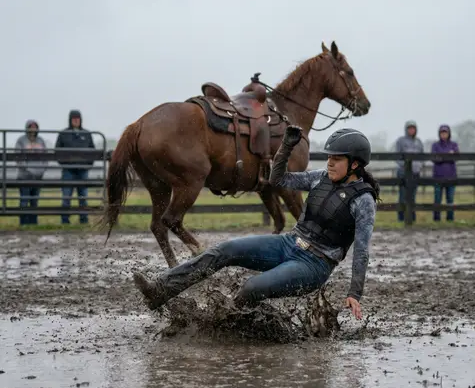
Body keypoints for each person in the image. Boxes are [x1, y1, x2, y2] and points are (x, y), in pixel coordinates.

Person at [133, 126, 379, 321]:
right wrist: (285, 147)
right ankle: (160, 291)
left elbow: (361, 251)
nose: (330, 163)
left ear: (354, 164)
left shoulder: (363, 200)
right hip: (288, 243)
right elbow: (278, 178)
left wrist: (354, 293)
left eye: (336, 159)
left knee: (252, 288)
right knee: (225, 250)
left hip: (314, 264)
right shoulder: (320, 177)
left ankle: (225, 323)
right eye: (329, 158)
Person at [55, 109, 95, 225]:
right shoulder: (64, 134)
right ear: (70, 120)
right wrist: (65, 164)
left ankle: (83, 220)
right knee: (66, 197)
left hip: (82, 171)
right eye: (74, 118)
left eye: (78, 118)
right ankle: (65, 221)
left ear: (81, 120)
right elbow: (57, 151)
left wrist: (88, 164)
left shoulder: (87, 134)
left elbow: (92, 150)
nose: (76, 120)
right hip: (68, 171)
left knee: (83, 197)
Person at [15, 120, 48, 226]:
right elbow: (18, 157)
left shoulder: (41, 140)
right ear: (27, 128)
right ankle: (23, 224)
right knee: (24, 200)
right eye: (31, 127)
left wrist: (42, 169)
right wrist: (28, 169)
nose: (33, 129)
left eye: (35, 127)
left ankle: (33, 224)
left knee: (34, 201)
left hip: (38, 177)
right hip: (24, 176)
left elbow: (46, 157)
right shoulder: (21, 140)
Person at [394, 120, 424, 222]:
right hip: (403, 172)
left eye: (413, 128)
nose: (411, 130)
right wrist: (406, 166)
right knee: (402, 196)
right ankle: (401, 218)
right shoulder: (400, 141)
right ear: (406, 129)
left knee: (413, 196)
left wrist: (419, 166)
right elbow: (397, 156)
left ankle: (412, 218)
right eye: (409, 128)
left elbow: (422, 156)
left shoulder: (419, 142)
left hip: (415, 173)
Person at [431, 124, 459, 222]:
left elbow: (456, 158)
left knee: (450, 199)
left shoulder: (454, 145)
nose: (444, 134)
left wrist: (442, 157)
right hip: (438, 176)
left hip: (451, 176)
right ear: (439, 134)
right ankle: (436, 219)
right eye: (442, 132)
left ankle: (450, 219)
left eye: (445, 132)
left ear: (448, 133)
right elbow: (434, 158)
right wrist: (448, 156)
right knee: (437, 199)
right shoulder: (435, 145)